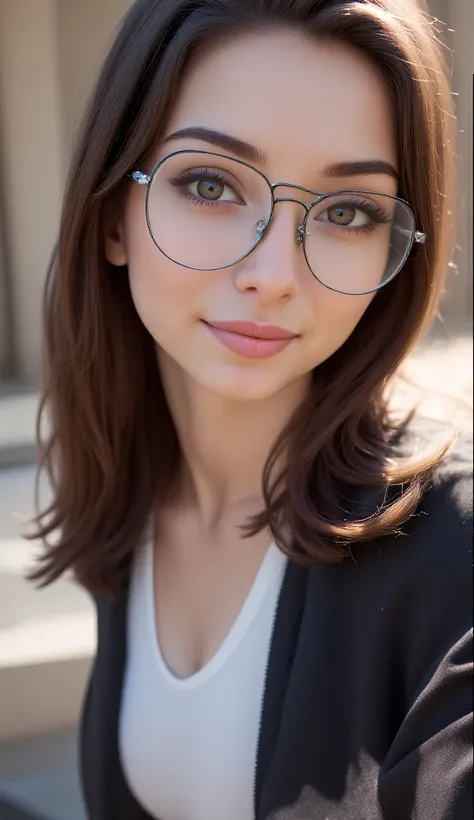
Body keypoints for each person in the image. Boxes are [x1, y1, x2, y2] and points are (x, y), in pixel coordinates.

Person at [29, 0, 472, 818]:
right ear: (112, 216)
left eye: (347, 211)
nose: (274, 273)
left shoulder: (454, 556)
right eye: (210, 184)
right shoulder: (134, 494)